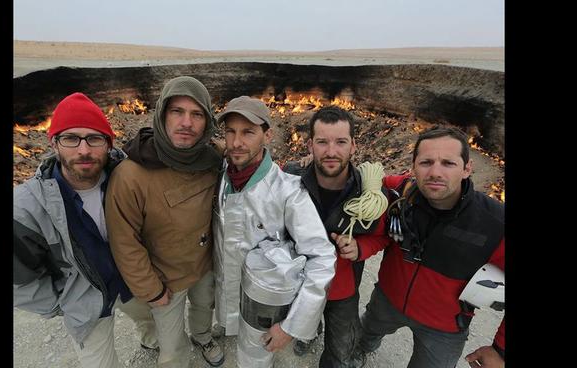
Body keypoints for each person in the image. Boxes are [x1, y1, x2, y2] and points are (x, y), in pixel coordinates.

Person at [13, 92, 157, 368]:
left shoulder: (127, 179)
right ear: (53, 142)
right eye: (71, 138)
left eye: (94, 138)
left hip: (130, 280)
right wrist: (62, 302)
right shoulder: (26, 208)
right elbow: (19, 282)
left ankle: (150, 339)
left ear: (108, 144)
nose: (83, 150)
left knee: (149, 319)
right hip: (86, 300)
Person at [359, 126, 505, 368]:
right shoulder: (401, 192)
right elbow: (357, 180)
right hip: (387, 301)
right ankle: (361, 350)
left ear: (467, 168)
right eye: (426, 162)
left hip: (444, 328)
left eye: (448, 163)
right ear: (414, 166)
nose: (435, 172)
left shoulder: (495, 224)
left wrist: (500, 350)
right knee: (366, 333)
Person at [104, 76, 224, 368]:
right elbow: (124, 243)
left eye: (197, 114)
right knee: (171, 347)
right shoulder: (131, 175)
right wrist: (151, 290)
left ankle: (203, 336)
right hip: (165, 280)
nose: (187, 122)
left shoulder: (211, 159)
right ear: (161, 114)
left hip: (204, 264)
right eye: (177, 112)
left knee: (203, 308)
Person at [212, 96, 337, 367]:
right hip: (226, 291)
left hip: (263, 304)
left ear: (267, 135)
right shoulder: (221, 174)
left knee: (254, 357)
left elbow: (322, 259)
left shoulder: (289, 193)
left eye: (248, 132)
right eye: (230, 131)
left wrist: (292, 326)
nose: (236, 142)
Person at [282, 106, 390, 368]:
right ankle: (309, 331)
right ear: (310, 145)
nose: (331, 151)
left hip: (343, 290)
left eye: (340, 142)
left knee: (340, 351)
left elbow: (382, 236)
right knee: (304, 322)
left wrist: (360, 247)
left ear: (353, 145)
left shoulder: (370, 195)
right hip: (301, 281)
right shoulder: (291, 178)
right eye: (322, 142)